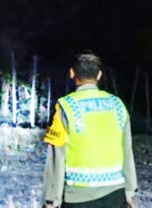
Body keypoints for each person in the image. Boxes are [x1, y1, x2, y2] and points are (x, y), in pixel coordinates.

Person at [43, 53, 138, 208]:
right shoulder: (118, 105)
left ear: (72, 73)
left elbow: (56, 159)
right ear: (99, 75)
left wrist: (52, 201)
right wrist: (129, 191)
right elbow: (127, 151)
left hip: (78, 198)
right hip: (115, 195)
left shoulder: (64, 107)